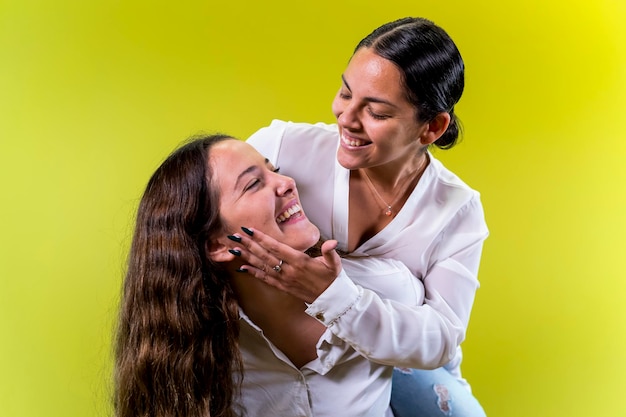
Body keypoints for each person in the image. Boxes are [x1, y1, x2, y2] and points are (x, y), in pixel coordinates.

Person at [245, 17, 489, 416]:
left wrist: (333, 293)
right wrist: (401, 290)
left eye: (376, 112)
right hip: (304, 363)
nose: (346, 118)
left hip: (408, 371)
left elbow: (441, 337)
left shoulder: (456, 209)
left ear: (432, 127)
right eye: (345, 92)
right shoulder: (281, 151)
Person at [114, 134, 436, 417]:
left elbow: (439, 348)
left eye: (274, 171)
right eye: (254, 183)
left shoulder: (384, 284)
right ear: (216, 245)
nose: (286, 183)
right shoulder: (196, 350)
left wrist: (343, 303)